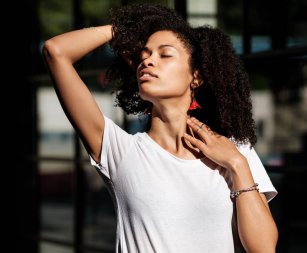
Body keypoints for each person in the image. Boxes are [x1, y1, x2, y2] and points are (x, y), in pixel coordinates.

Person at [42, 3, 278, 253]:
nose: (148, 61)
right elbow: (56, 51)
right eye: (143, 56)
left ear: (196, 76)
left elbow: (262, 248)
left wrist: (237, 164)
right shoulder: (119, 151)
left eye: (164, 54)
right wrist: (127, 29)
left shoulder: (234, 150)